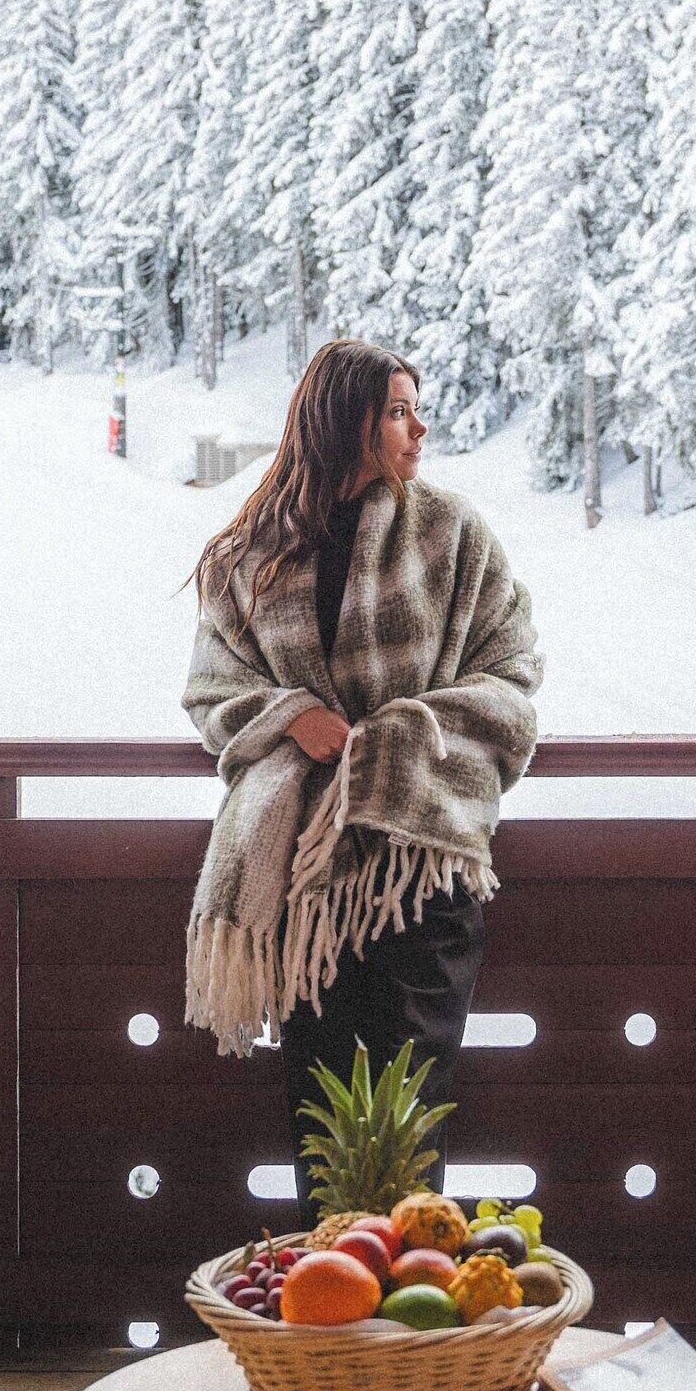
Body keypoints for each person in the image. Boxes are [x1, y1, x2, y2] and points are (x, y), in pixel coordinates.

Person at [179, 339, 540, 1218]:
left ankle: (408, 1333)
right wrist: (288, 717)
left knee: (409, 1118)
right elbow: (212, 688)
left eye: (417, 409)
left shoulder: (451, 533)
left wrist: (403, 735)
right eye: (397, 411)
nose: (420, 427)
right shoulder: (250, 556)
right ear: (348, 423)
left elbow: (513, 678)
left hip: (423, 868)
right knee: (324, 1119)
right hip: (311, 886)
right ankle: (332, 1323)